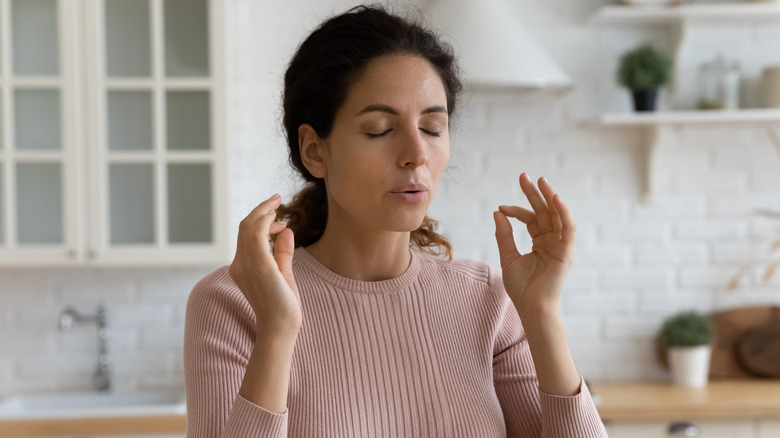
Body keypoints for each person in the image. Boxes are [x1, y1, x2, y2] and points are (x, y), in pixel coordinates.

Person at [184, 5, 607, 437]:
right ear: (314, 150)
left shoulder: (489, 302)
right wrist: (277, 330)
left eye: (432, 127)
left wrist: (541, 313)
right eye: (380, 129)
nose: (416, 154)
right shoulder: (234, 303)